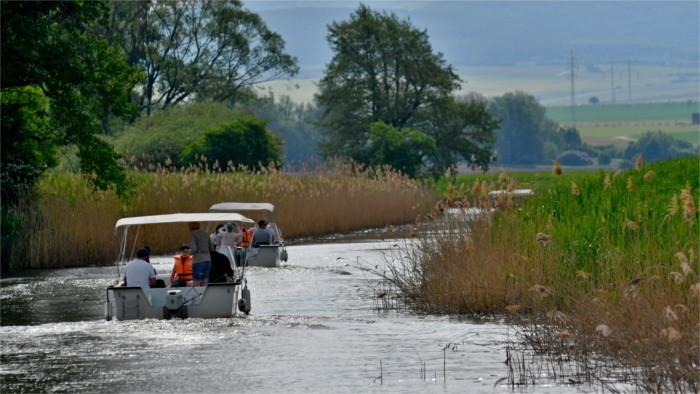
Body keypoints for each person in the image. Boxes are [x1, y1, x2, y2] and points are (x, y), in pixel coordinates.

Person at [188, 222, 213, 286]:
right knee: (205, 282)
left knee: (197, 283)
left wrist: (189, 253)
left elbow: (194, 249)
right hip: (208, 260)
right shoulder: (205, 234)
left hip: (198, 261)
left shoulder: (192, 234)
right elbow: (212, 248)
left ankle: (196, 296)